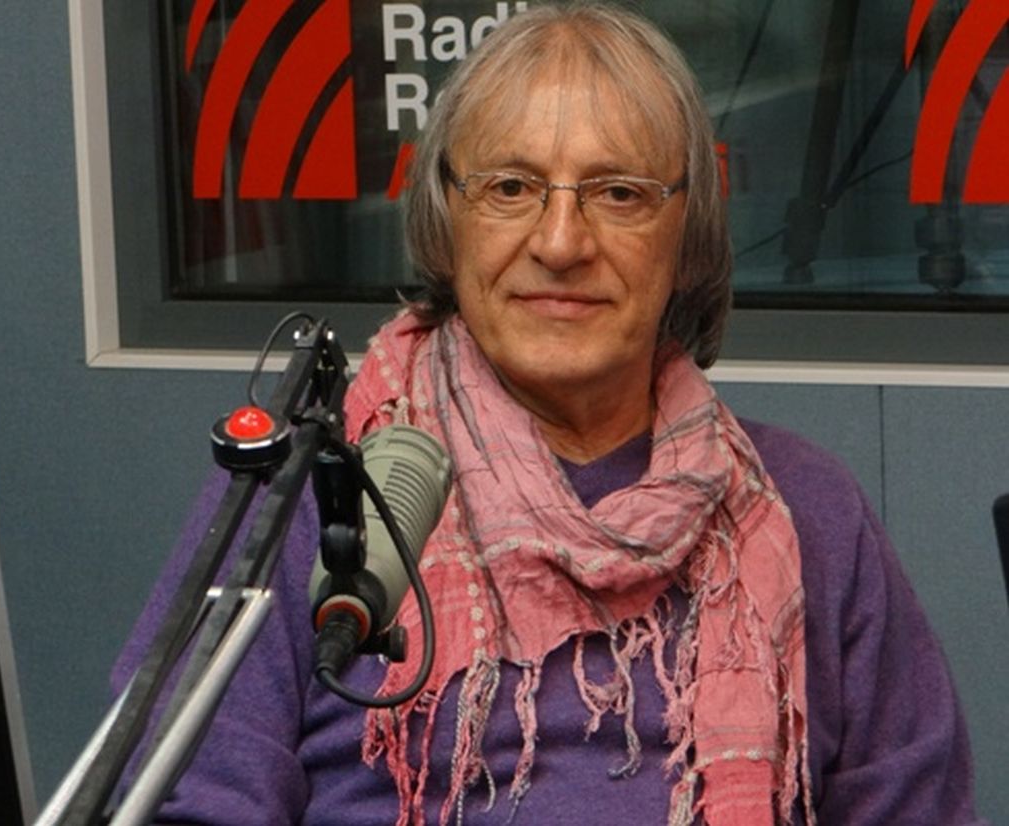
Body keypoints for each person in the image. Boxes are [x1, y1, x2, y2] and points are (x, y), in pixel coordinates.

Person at [113, 3, 987, 824]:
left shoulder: (810, 513)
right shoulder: (315, 495)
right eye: (510, 187)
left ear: (688, 240)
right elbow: (182, 801)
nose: (561, 242)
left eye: (619, 193)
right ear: (446, 221)